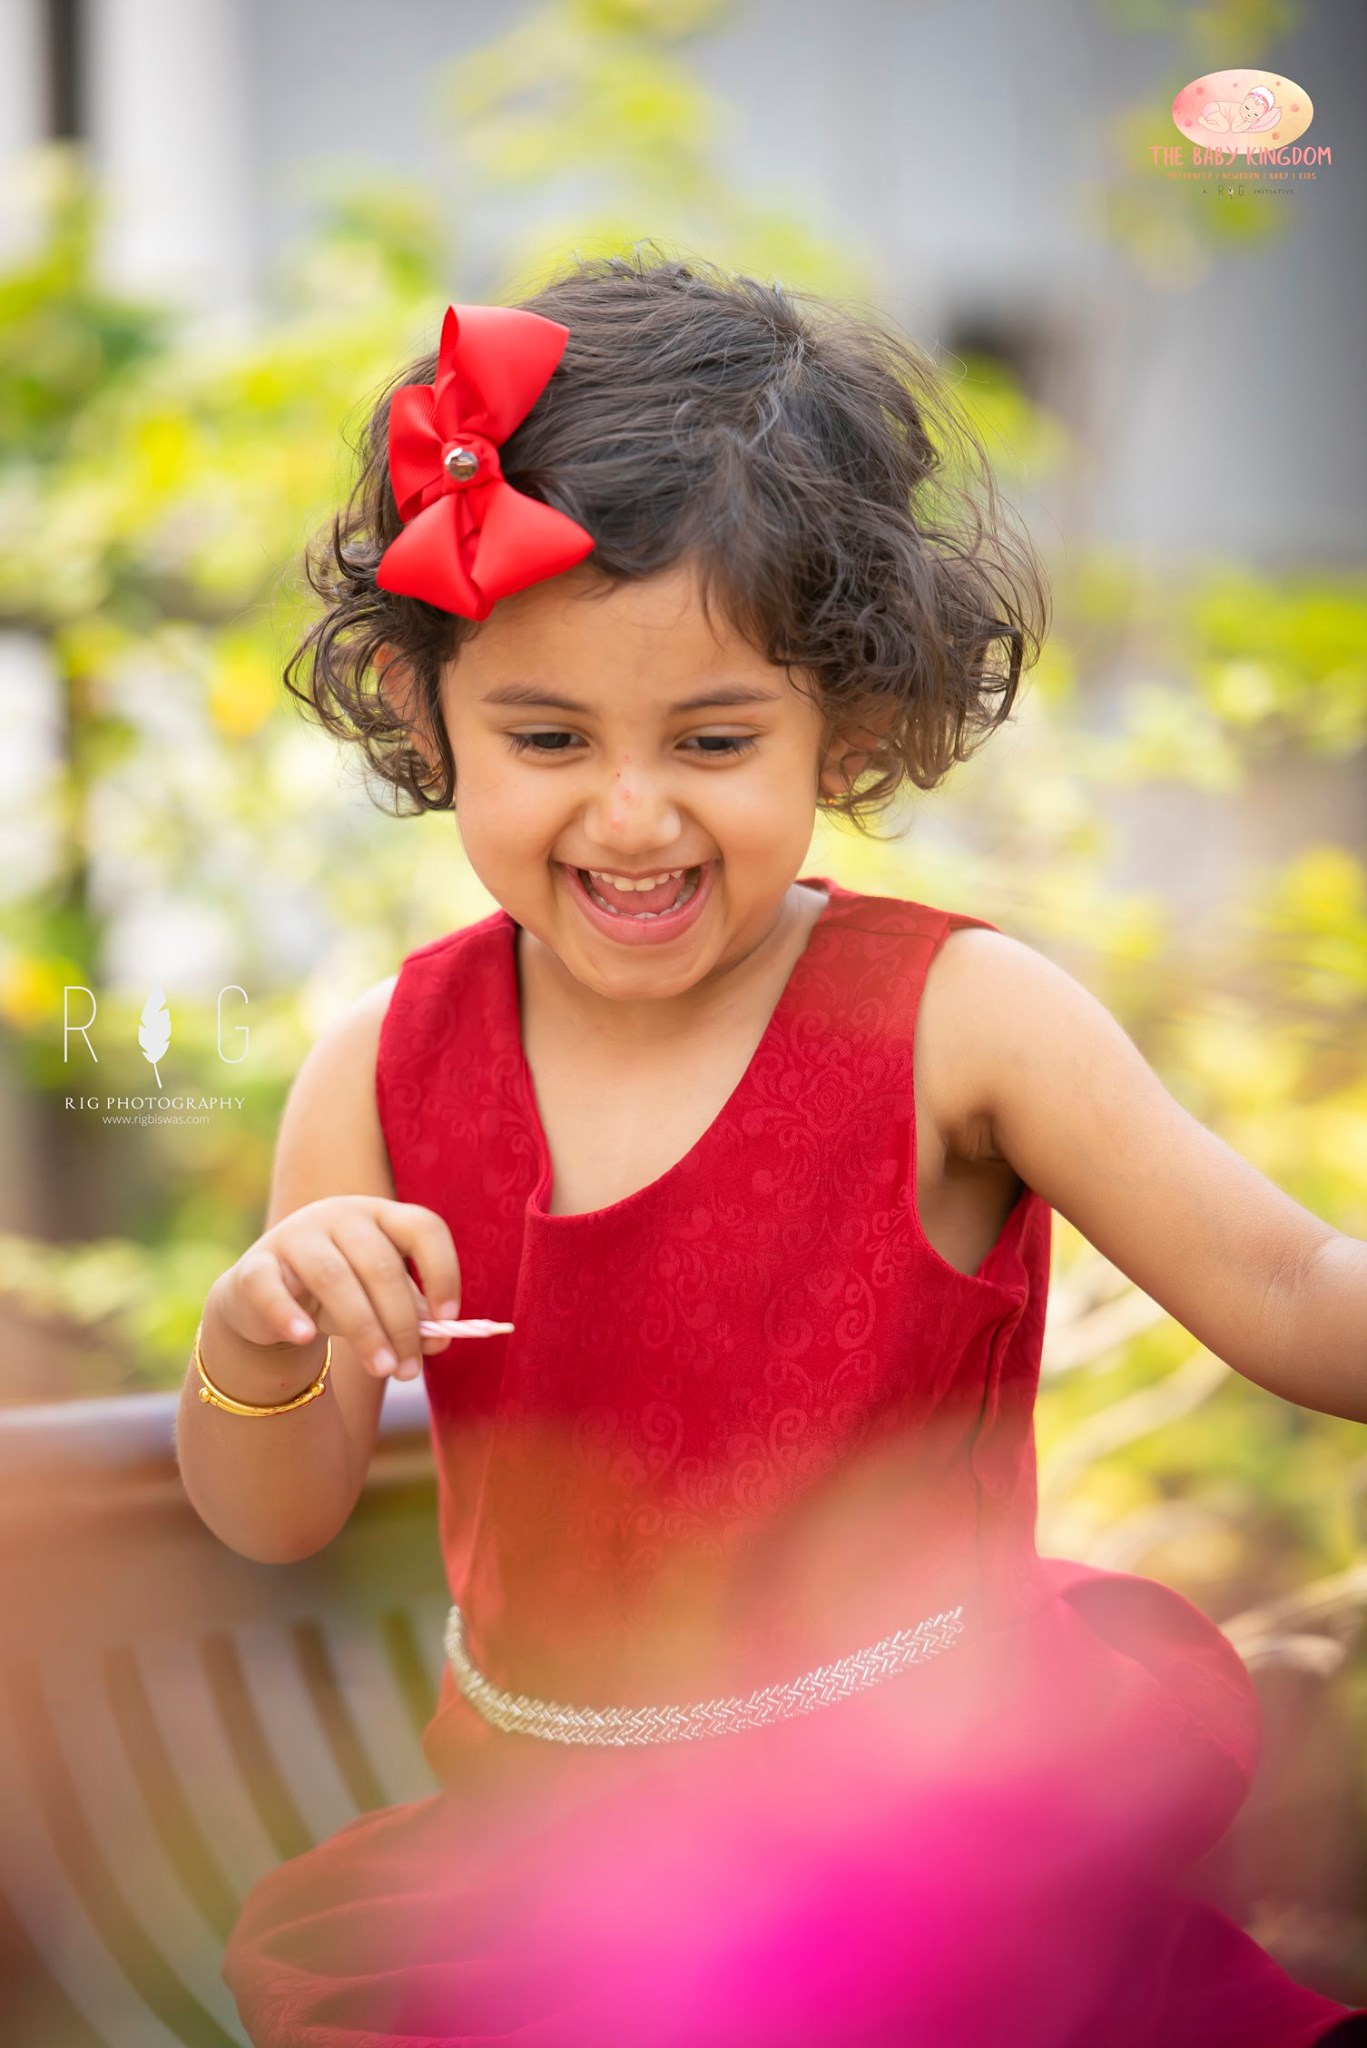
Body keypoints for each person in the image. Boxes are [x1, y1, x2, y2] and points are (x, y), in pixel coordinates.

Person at [178, 251, 1367, 2045]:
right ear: (431, 719)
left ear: (853, 722)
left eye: (716, 739)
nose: (632, 812)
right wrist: (261, 1336)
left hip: (932, 1851)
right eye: (548, 734)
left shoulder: (962, 1024)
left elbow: (1291, 1286)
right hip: (553, 1895)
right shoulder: (385, 1072)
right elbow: (276, 1515)